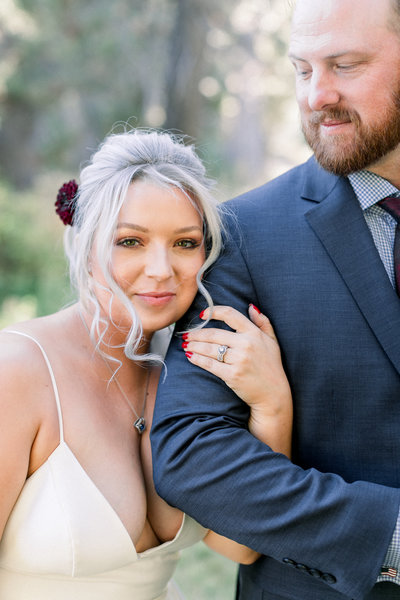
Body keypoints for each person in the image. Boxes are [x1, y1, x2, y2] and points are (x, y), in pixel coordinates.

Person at [151, 0, 400, 598]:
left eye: (344, 64)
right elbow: (194, 453)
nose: (317, 95)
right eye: (303, 69)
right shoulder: (244, 235)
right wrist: (387, 536)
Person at [0, 128, 293, 600]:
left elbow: (242, 544)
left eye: (184, 243)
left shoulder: (190, 376)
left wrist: (273, 404)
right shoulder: (16, 372)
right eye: (131, 241)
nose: (161, 270)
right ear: (87, 243)